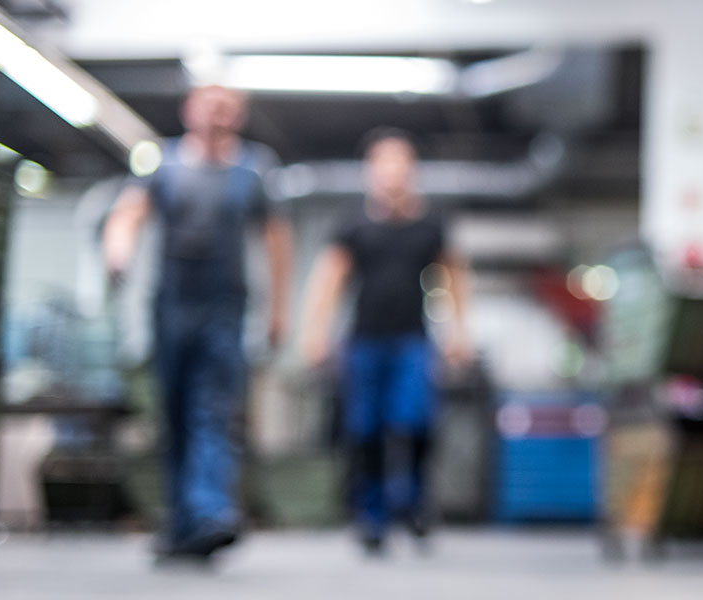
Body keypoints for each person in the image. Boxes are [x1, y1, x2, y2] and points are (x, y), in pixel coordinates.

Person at [102, 85, 293, 561]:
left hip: (224, 310)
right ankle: (181, 527)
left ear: (239, 117)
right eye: (209, 104)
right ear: (189, 110)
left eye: (227, 107)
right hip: (171, 307)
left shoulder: (254, 170)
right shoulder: (162, 164)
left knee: (211, 410)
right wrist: (118, 251)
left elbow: (276, 239)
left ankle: (211, 512)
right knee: (175, 415)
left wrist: (278, 311)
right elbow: (128, 213)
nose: (217, 114)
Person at [299, 127, 472, 554]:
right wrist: (315, 332)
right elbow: (329, 280)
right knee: (366, 432)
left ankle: (413, 505)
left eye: (400, 164)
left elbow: (453, 278)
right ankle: (372, 518)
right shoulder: (353, 225)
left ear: (412, 171)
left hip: (412, 341)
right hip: (364, 344)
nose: (392, 173)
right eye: (383, 164)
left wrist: (459, 330)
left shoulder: (431, 225)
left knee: (415, 423)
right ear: (370, 172)